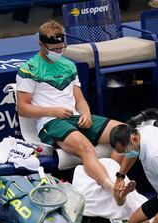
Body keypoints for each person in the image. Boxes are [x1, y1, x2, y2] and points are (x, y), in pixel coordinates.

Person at [16, 20, 123, 194]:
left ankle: (118, 179)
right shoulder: (29, 69)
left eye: (61, 48)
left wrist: (86, 114)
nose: (58, 52)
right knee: (86, 147)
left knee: (125, 134)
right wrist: (53, 111)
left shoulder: (69, 65)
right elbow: (23, 108)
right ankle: (111, 189)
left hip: (75, 118)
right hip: (50, 123)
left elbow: (79, 99)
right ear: (41, 44)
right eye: (53, 49)